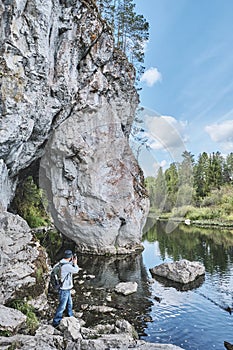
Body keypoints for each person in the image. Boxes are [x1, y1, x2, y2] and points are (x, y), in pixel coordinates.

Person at [52, 249, 79, 327]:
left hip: (65, 288)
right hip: (64, 288)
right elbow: (76, 270)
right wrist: (75, 263)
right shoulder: (67, 266)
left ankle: (70, 315)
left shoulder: (61, 263)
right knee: (62, 305)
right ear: (70, 257)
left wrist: (72, 262)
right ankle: (56, 321)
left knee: (69, 303)